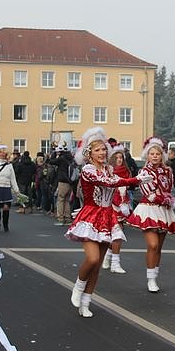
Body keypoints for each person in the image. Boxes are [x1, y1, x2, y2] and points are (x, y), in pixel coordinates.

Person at [67, 128, 147, 318]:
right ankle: (78, 287)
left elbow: (118, 180)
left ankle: (86, 302)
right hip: (90, 216)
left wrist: (139, 180)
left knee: (98, 265)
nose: (102, 153)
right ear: (89, 154)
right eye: (97, 150)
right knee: (92, 259)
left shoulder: (109, 170)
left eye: (104, 149)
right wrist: (135, 179)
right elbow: (109, 183)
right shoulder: (88, 170)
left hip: (107, 217)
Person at [127, 137, 175, 292]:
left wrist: (170, 199)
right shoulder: (144, 172)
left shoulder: (167, 171)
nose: (155, 156)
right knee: (153, 244)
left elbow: (169, 189)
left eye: (158, 153)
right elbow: (148, 193)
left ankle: (154, 276)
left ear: (162, 155)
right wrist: (165, 199)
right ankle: (150, 279)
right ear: (147, 155)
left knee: (159, 247)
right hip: (149, 209)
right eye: (152, 153)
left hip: (164, 210)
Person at [102, 144, 132, 274]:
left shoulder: (126, 172)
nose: (119, 160)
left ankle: (108, 257)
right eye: (117, 158)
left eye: (121, 157)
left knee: (117, 234)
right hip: (111, 206)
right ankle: (115, 263)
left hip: (122, 205)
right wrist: (119, 203)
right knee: (117, 234)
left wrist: (125, 203)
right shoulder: (108, 172)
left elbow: (125, 189)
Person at [49, 142, 76, 225]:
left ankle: (60, 218)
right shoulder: (70, 158)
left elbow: (51, 161)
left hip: (63, 181)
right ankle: (67, 218)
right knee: (67, 200)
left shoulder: (61, 159)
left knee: (60, 199)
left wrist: (54, 153)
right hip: (70, 182)